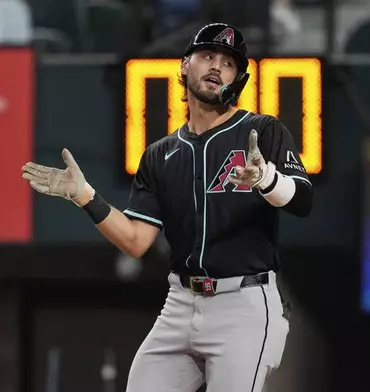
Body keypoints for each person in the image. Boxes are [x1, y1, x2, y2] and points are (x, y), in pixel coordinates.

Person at [21, 22, 313, 392]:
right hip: (181, 302)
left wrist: (267, 181)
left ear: (238, 78)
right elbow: (136, 241)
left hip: (244, 304)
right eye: (207, 56)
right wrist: (85, 196)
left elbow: (303, 200)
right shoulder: (159, 154)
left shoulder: (263, 131)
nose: (216, 67)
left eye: (228, 63)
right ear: (184, 65)